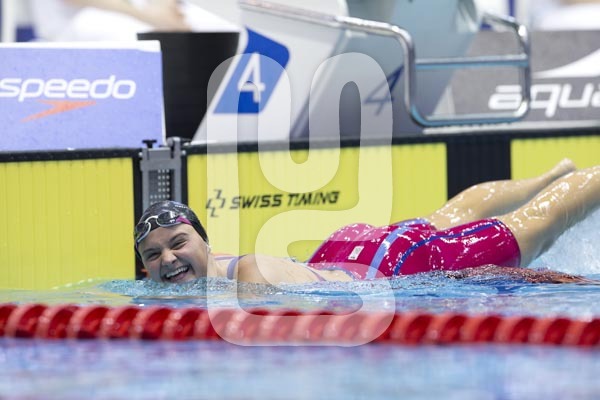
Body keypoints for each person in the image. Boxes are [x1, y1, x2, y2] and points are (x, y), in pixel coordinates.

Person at [134, 159, 600, 285]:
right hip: (343, 251)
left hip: (395, 265)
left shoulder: (249, 279)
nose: (168, 259)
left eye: (178, 242)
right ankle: (547, 175)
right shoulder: (212, 269)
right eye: (153, 254)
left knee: (539, 220)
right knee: (450, 214)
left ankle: (562, 182)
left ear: (205, 242)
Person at [28, 0, 191, 42]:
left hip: (132, 14)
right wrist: (149, 16)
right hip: (69, 28)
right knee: (139, 37)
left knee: (202, 21)